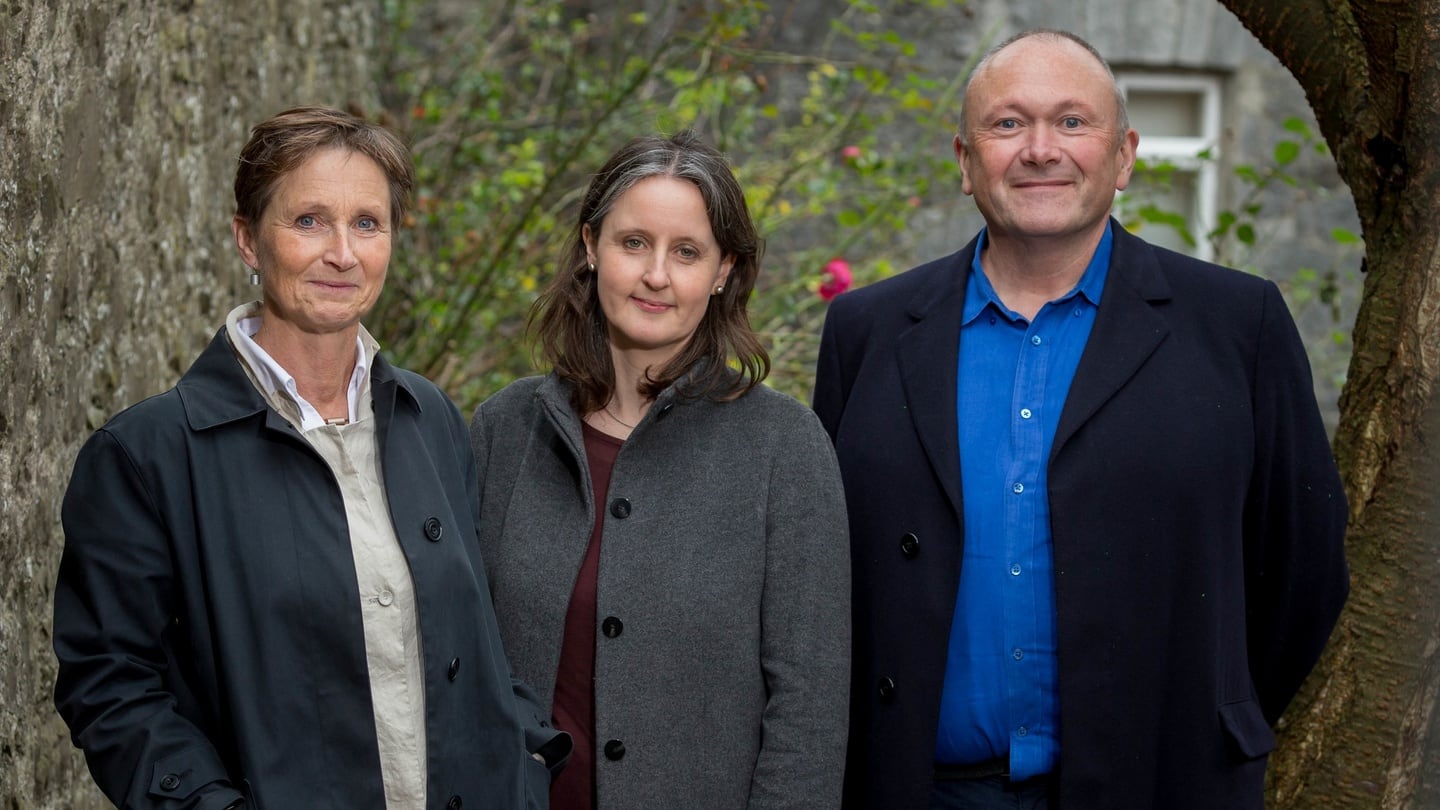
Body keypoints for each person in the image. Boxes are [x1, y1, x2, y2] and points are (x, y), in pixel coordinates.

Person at [813, 29, 1349, 810]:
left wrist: (1202, 716)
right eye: (1007, 124)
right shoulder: (869, 331)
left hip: (1161, 781)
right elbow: (828, 574)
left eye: (1072, 122)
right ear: (965, 162)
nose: (1039, 149)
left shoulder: (1239, 325)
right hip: (921, 790)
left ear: (1125, 155)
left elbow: (1302, 576)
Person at [52, 106, 568, 809]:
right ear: (247, 239)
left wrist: (526, 755)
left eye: (366, 223)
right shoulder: (147, 456)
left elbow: (473, 631)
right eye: (308, 222)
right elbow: (110, 684)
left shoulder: (431, 419)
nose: (343, 254)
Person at [469, 130, 850, 810]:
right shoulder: (505, 429)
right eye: (633, 242)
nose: (656, 276)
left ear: (725, 270)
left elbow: (809, 711)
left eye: (687, 252)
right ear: (591, 247)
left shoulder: (784, 449)